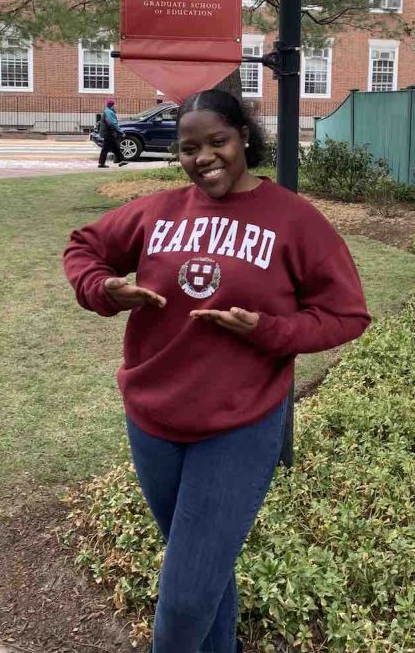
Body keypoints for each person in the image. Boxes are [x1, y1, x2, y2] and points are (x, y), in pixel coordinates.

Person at [64, 89, 370, 653]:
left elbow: (346, 314)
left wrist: (268, 330)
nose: (202, 157)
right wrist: (105, 289)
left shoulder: (293, 219)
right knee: (204, 575)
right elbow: (85, 247)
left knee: (182, 603)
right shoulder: (160, 212)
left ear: (244, 137)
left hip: (239, 425)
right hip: (154, 420)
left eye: (216, 142)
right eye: (188, 148)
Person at [97, 97, 128, 168]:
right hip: (109, 133)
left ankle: (102, 163)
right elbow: (112, 123)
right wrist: (121, 132)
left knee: (109, 148)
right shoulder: (109, 112)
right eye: (114, 104)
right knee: (114, 147)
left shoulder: (108, 111)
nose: (115, 106)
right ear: (112, 105)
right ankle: (121, 161)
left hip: (107, 133)